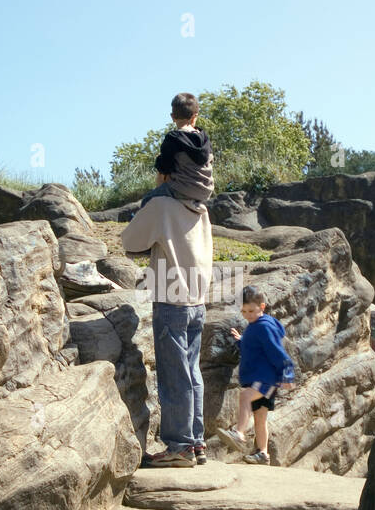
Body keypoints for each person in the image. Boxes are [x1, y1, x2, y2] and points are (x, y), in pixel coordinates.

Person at [121, 93, 215, 467]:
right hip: (197, 296)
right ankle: (196, 443)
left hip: (171, 296)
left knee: (175, 375)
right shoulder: (201, 207)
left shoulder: (160, 204)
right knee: (192, 372)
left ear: (166, 172)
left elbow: (130, 242)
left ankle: (178, 449)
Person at [217, 285, 295, 465]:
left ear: (262, 306)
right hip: (260, 377)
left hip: (265, 378)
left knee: (245, 396)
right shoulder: (256, 326)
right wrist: (242, 342)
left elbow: (277, 351)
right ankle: (263, 454)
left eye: (251, 310)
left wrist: (287, 374)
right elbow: (255, 348)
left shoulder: (263, 327)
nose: (248, 314)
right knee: (260, 417)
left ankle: (238, 433)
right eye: (244, 311)